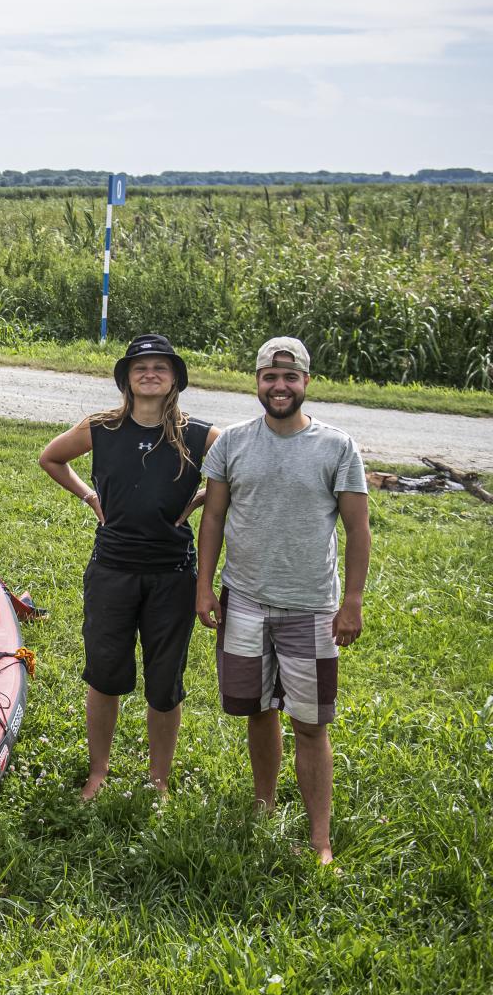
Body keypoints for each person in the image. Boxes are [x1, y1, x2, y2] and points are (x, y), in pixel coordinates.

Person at [196, 337, 370, 864]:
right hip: (244, 601)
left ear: (306, 383)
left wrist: (353, 601)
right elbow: (214, 518)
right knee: (257, 711)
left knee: (311, 726)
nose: (279, 387)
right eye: (270, 377)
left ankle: (320, 839)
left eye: (289, 378)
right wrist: (204, 586)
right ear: (256, 382)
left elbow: (358, 529)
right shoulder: (233, 444)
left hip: (311, 608)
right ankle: (264, 806)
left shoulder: (337, 447)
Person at [40, 334, 219, 799]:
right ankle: (98, 772)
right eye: (141, 366)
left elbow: (243, 475)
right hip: (112, 572)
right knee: (104, 675)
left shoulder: (200, 436)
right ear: (127, 378)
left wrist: (201, 498)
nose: (150, 373)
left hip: (172, 575)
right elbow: (51, 457)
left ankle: (158, 780)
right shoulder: (102, 428)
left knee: (165, 684)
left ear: (175, 377)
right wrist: (89, 495)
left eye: (161, 366)